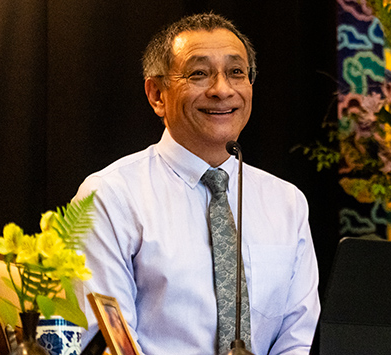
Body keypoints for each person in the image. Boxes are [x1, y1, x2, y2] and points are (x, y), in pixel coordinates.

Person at [74, 13, 320, 355]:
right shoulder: (110, 196)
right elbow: (110, 342)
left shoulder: (287, 202)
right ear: (157, 94)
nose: (222, 90)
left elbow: (299, 338)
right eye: (199, 73)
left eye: (236, 72)